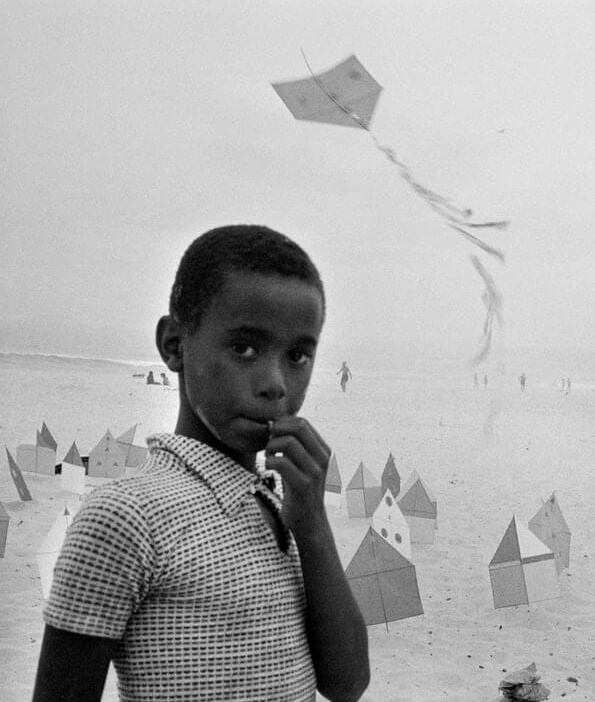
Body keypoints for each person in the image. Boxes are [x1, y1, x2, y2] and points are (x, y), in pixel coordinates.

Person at [33, 225, 370, 702]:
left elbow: (347, 682)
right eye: (245, 348)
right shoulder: (126, 517)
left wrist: (311, 519)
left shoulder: (276, 509)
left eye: (297, 355)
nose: (275, 383)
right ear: (174, 345)